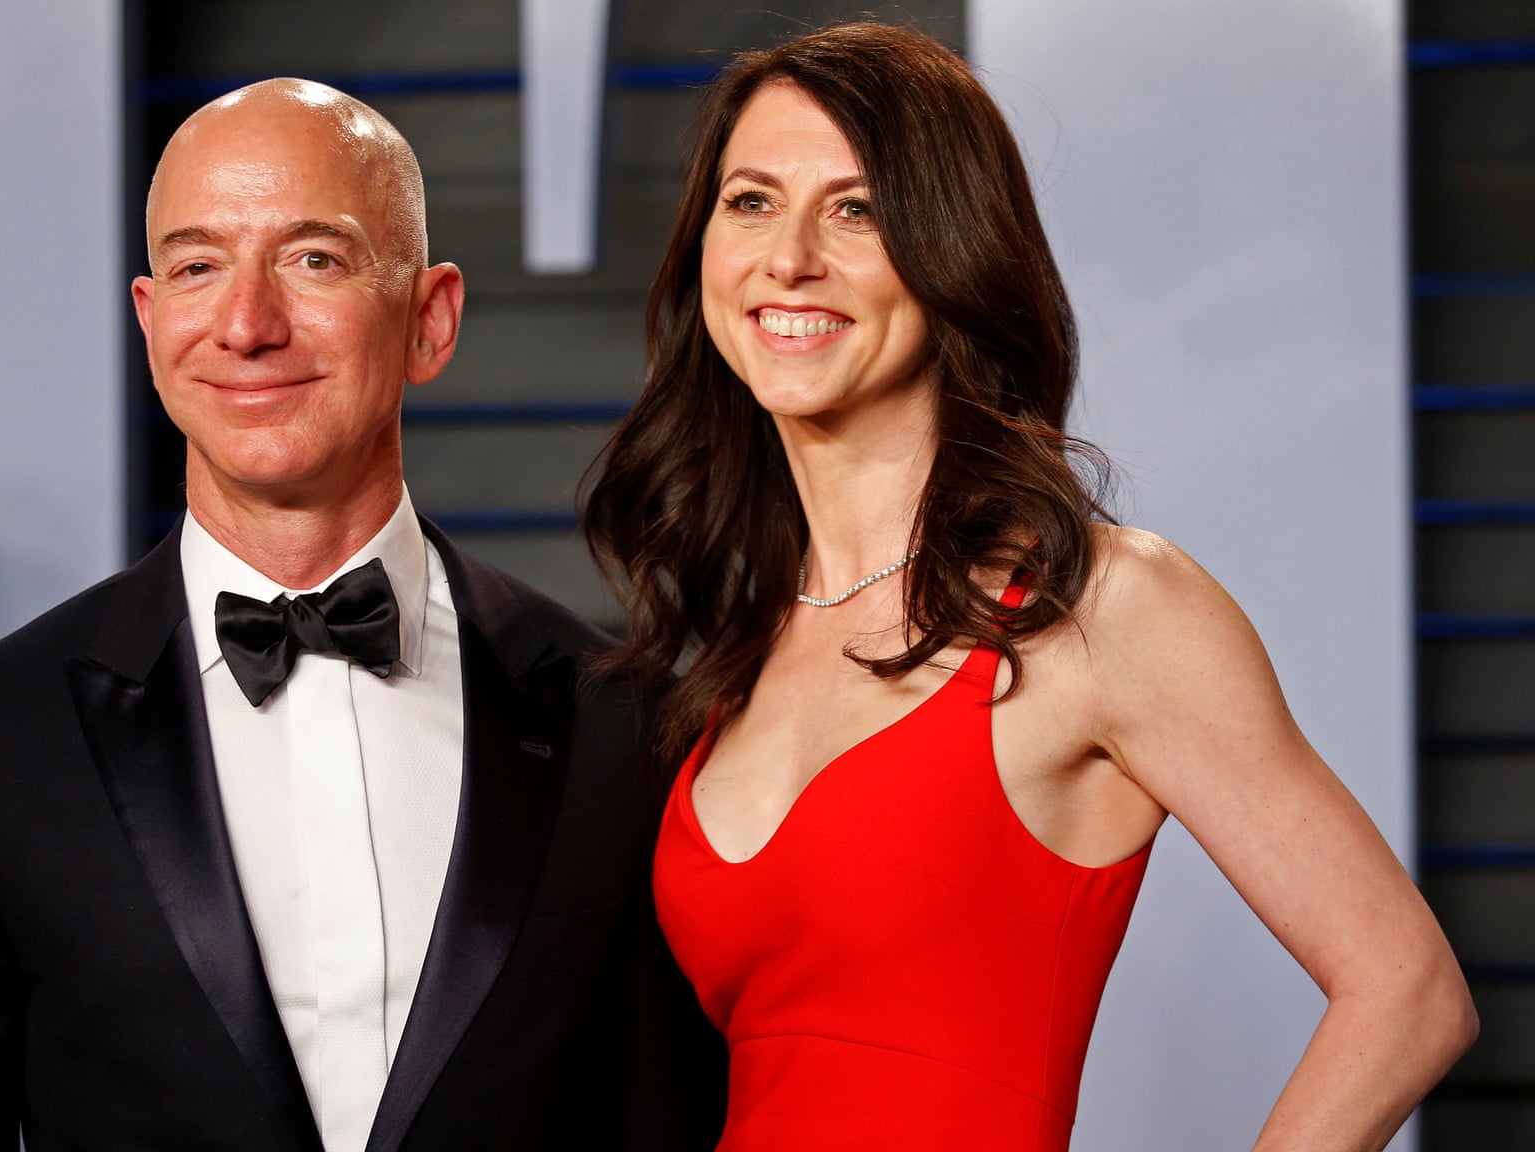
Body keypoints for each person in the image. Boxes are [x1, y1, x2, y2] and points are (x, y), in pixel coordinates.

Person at [583, 22, 1476, 1152]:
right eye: (750, 201)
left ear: (951, 247)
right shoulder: (742, 644)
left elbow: (1409, 992)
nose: (789, 256)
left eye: (857, 210)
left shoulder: (1103, 609)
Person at [0, 79, 724, 1151]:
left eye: (314, 259)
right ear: (151, 323)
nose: (247, 325)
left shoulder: (620, 722)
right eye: (198, 267)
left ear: (430, 320)